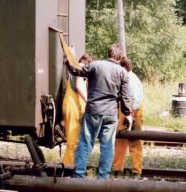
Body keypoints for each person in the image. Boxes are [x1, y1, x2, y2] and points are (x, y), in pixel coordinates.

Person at [65, 43, 133, 179]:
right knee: (107, 146)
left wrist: (69, 57)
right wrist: (127, 115)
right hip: (111, 114)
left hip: (93, 111)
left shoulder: (96, 65)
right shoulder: (122, 73)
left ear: (108, 54)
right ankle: (103, 178)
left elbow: (75, 70)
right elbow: (125, 97)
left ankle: (78, 176)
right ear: (120, 57)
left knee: (85, 142)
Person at [113, 57, 144, 179]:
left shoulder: (131, 79)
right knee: (120, 140)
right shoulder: (125, 77)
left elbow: (136, 100)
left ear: (124, 67)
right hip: (125, 109)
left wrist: (130, 116)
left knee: (135, 141)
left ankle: (137, 171)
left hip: (133, 111)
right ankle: (117, 169)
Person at [62, 53, 94, 166]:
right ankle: (68, 168)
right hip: (73, 107)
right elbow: (79, 86)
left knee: (74, 140)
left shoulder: (76, 67)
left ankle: (71, 166)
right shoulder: (80, 68)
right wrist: (89, 101)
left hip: (72, 106)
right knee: (72, 141)